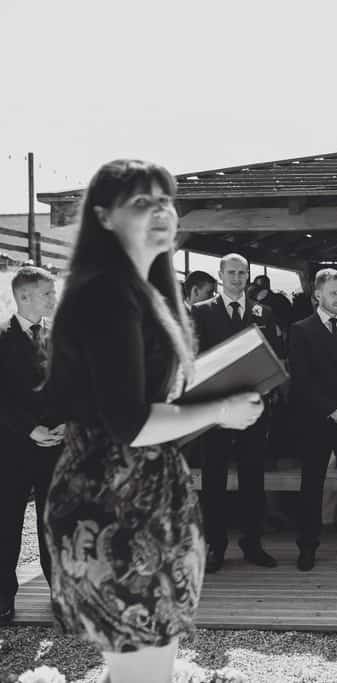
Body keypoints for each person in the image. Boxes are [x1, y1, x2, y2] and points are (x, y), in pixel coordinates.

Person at [43, 160, 262, 682]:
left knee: (145, 671)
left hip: (144, 500)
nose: (162, 211)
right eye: (143, 202)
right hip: (113, 510)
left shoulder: (146, 291)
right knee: (142, 673)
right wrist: (222, 411)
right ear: (103, 215)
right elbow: (128, 422)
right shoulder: (106, 292)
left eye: (166, 200)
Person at [192, 253, 284, 572]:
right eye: (231, 272)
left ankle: (252, 543)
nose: (237, 278)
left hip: (252, 408)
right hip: (217, 411)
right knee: (214, 479)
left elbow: (273, 356)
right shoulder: (200, 312)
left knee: (252, 478)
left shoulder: (265, 313)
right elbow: (195, 361)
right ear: (220, 275)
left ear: (248, 276)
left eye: (242, 273)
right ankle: (215, 546)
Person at [290, 269, 337, 570]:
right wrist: (331, 409)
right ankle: (307, 546)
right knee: (312, 484)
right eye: (334, 293)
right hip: (316, 420)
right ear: (318, 295)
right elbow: (302, 379)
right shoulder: (302, 329)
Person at [0, 267, 64, 624]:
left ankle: (60, 593)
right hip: (10, 448)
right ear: (24, 297)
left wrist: (68, 421)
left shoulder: (56, 337)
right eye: (47, 293)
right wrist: (30, 429)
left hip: (54, 446)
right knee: (5, 523)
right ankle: (3, 598)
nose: (54, 299)